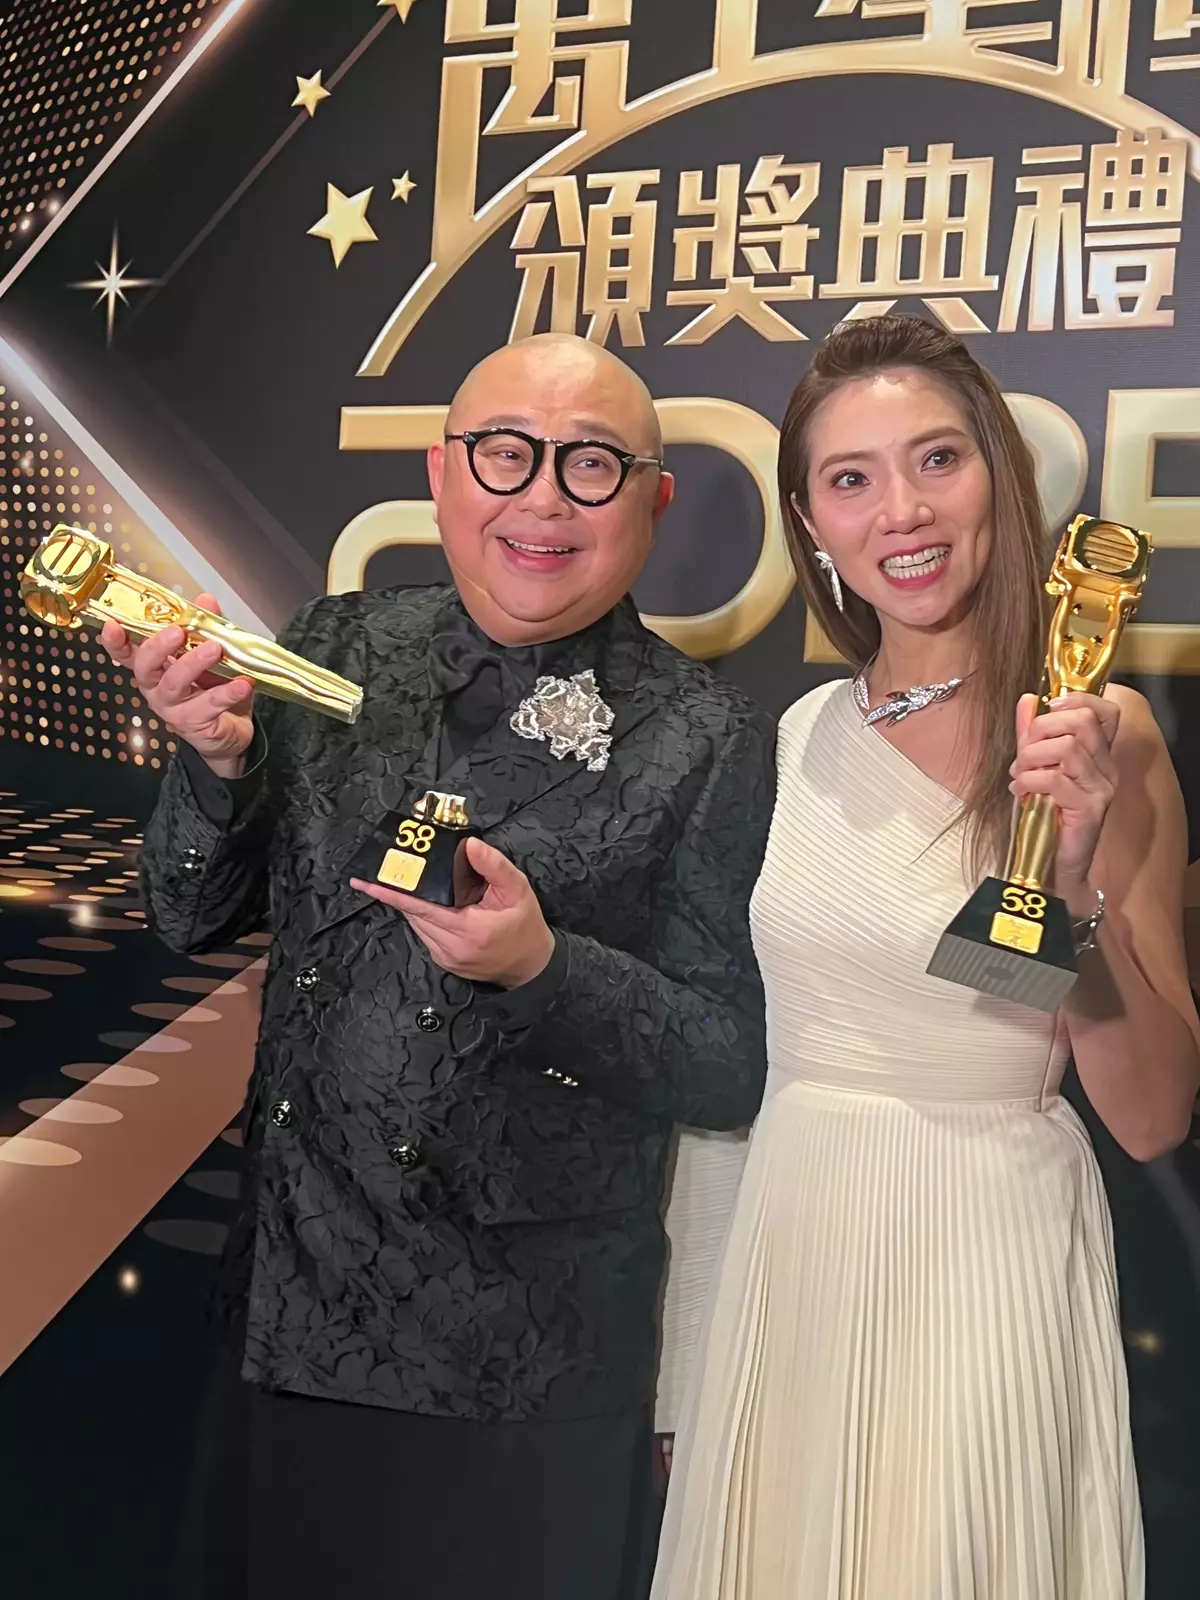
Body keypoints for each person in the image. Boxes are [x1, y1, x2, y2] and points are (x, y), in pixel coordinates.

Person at [102, 333, 776, 1600]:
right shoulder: (337, 643)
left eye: (591, 465)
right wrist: (216, 763)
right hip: (287, 1313)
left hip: (522, 1363)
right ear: (442, 471)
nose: (541, 499)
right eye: (505, 453)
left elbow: (725, 1059)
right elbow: (190, 915)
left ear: (653, 499)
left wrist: (543, 968)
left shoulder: (706, 733)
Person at [651, 313, 1200, 1600]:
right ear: (812, 523)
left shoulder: (1097, 729)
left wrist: (1070, 886)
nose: (902, 510)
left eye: (938, 459)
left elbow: (1152, 1115)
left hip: (984, 1259)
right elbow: (750, 1078)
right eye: (851, 479)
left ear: (998, 476)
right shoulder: (795, 735)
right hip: (793, 1260)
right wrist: (695, 1355)